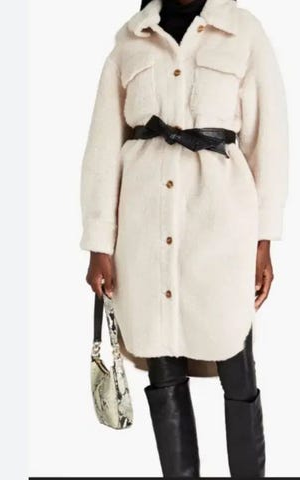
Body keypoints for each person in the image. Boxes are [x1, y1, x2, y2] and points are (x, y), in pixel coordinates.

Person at [80, 0, 288, 477]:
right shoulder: (130, 40)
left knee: (234, 354)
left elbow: (269, 140)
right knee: (161, 360)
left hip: (223, 228)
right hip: (144, 229)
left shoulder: (243, 32)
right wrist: (99, 243)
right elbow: (102, 147)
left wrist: (264, 239)